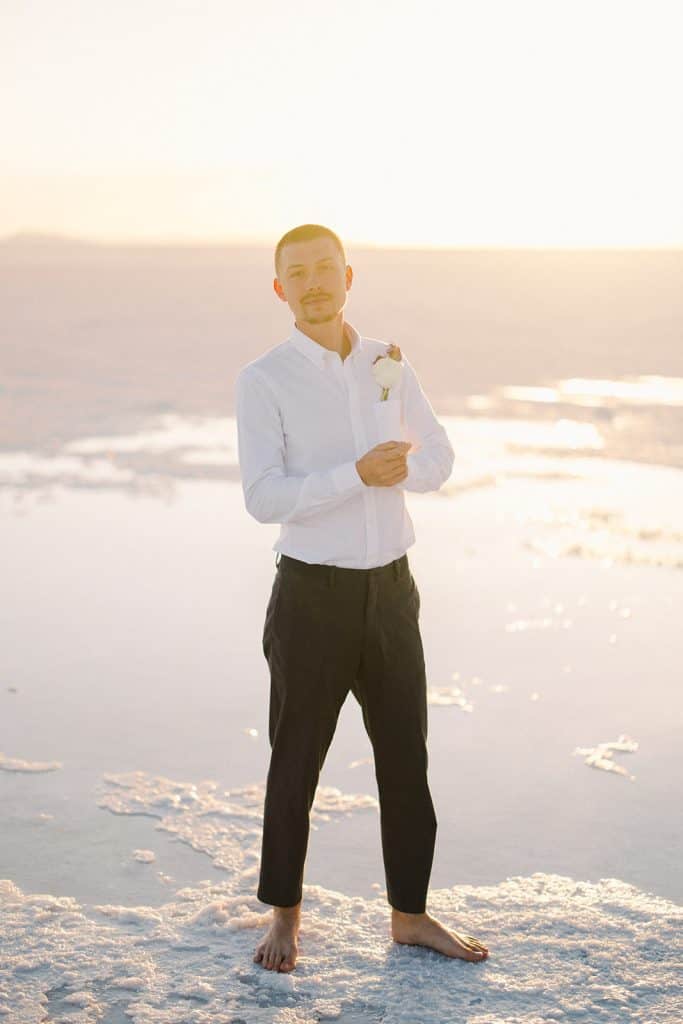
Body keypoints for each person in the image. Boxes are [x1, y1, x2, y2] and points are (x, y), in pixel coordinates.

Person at [235, 223, 489, 972]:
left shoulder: (386, 363)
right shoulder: (264, 379)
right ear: (280, 289)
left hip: (391, 592)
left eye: (324, 269)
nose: (313, 283)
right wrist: (356, 474)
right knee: (297, 762)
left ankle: (409, 916)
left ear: (348, 276)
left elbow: (437, 457)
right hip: (311, 597)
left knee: (405, 760)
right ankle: (285, 913)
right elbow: (261, 497)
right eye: (296, 273)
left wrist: (397, 470)